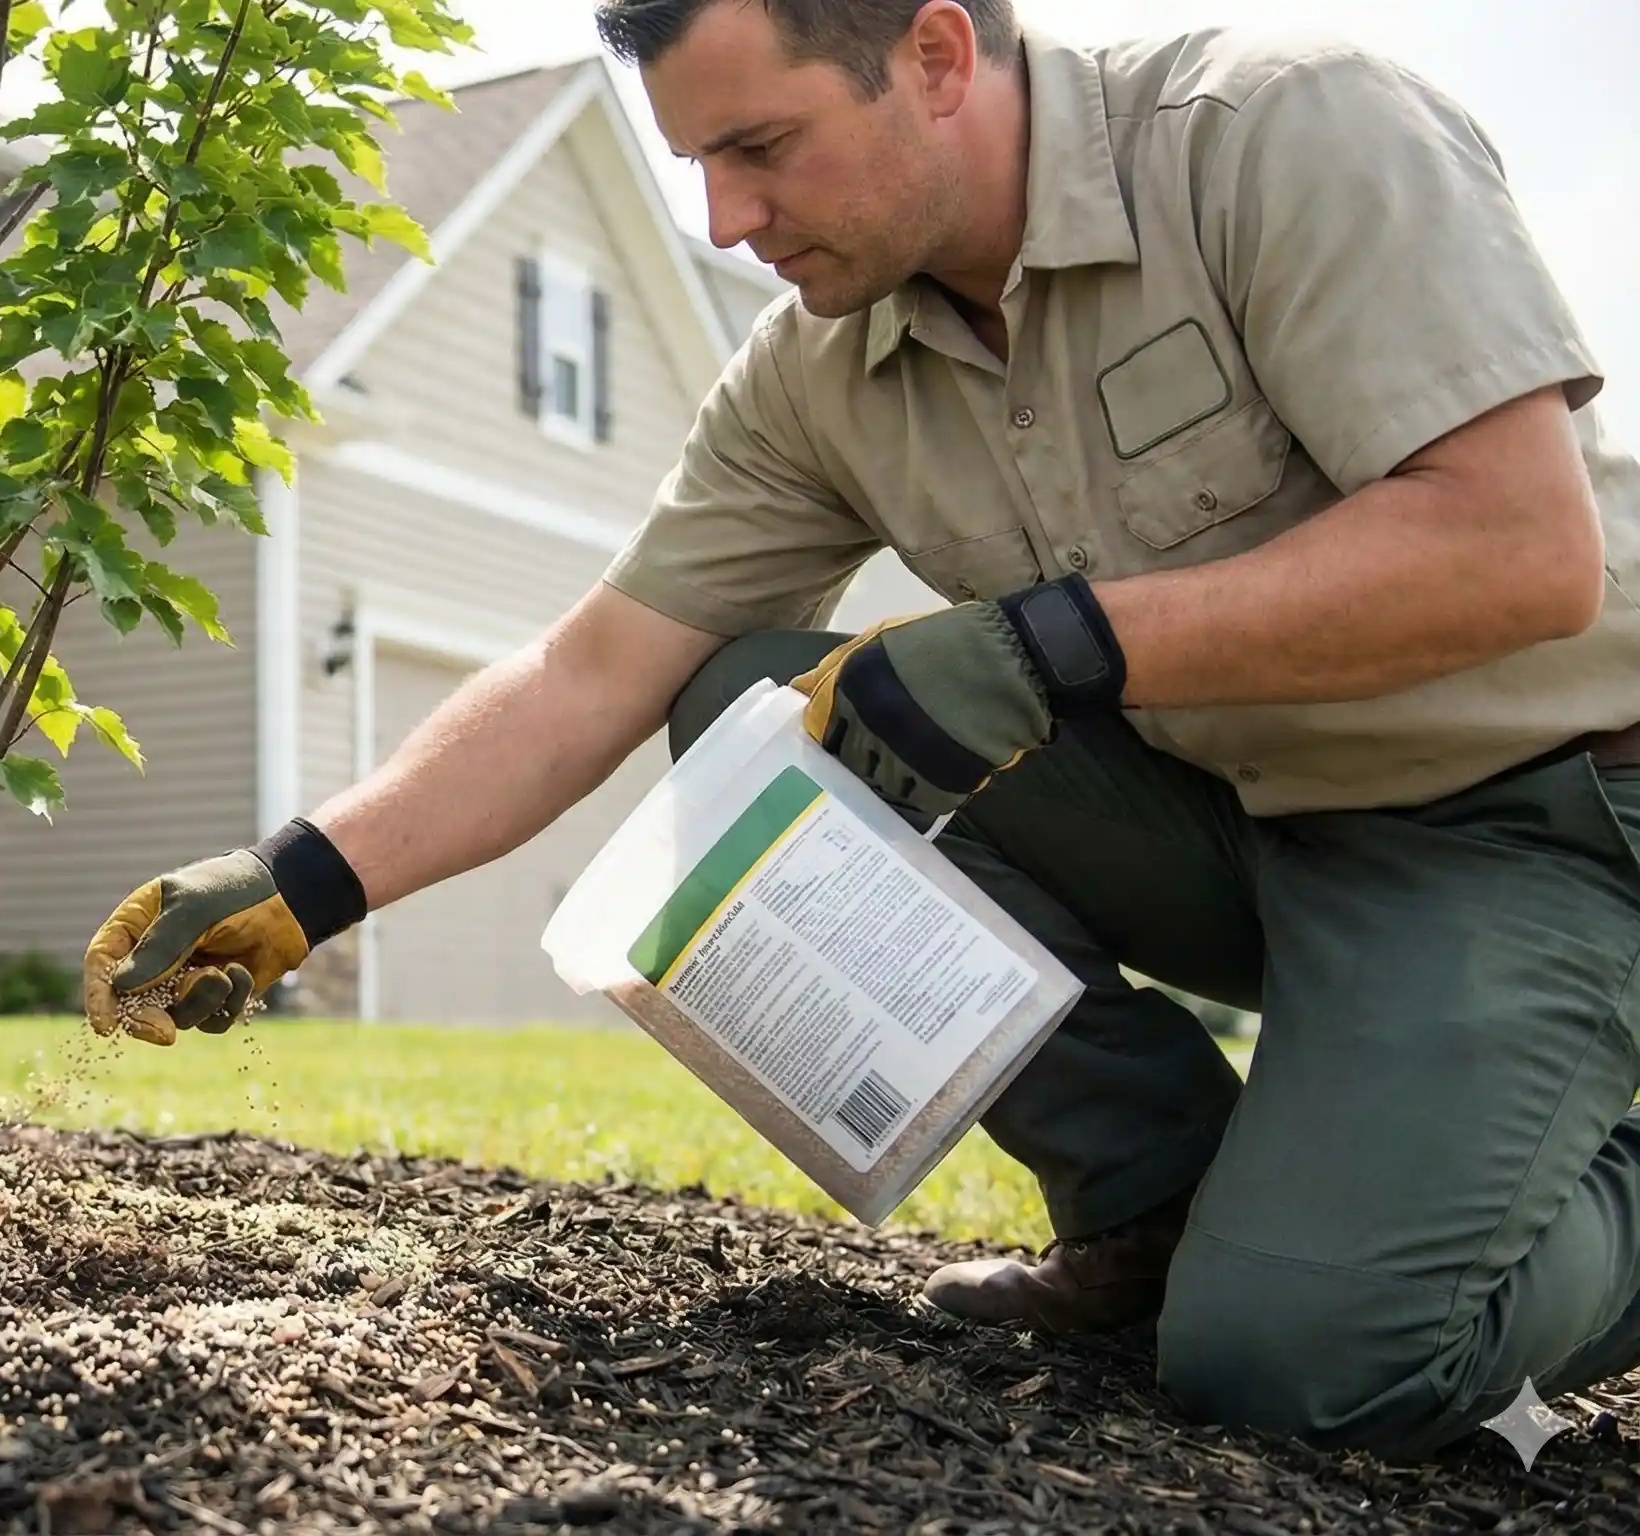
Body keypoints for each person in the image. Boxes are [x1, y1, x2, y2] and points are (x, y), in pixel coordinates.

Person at [79, 0, 1640, 1461]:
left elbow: (1517, 549)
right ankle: (1154, 1208)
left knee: (1301, 1364)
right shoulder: (820, 370)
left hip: (1539, 818)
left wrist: (1048, 646)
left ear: (938, 55)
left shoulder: (1275, 136)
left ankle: (1306, 1258)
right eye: (697, 164)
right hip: (1236, 815)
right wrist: (301, 878)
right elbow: (589, 671)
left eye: (760, 147)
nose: (723, 220)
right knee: (746, 702)